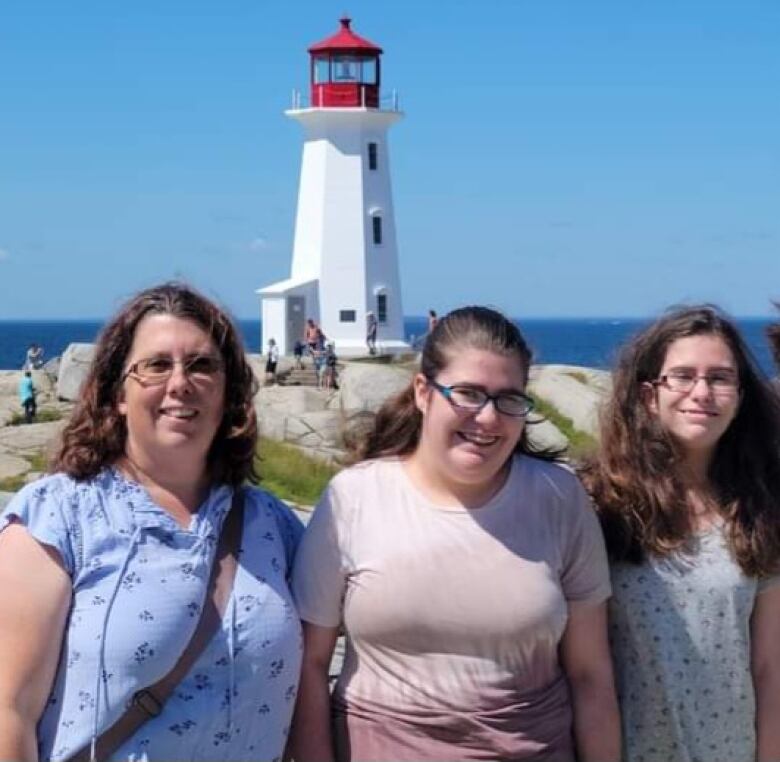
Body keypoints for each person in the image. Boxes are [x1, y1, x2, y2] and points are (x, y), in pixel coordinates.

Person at [290, 306, 620, 762]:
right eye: (467, 393)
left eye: (509, 399)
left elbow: (590, 674)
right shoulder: (354, 496)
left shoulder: (558, 498)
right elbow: (309, 665)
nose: (487, 418)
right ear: (424, 392)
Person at [0, 283, 303, 762]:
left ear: (228, 392)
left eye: (202, 365)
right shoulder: (57, 517)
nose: (180, 383)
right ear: (118, 393)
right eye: (157, 365)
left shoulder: (274, 526)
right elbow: (7, 711)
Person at [581, 305, 780, 762]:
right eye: (683, 376)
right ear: (650, 394)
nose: (701, 392)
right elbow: (584, 668)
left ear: (741, 394)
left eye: (720, 378)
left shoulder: (760, 508)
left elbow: (769, 668)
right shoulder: (599, 503)